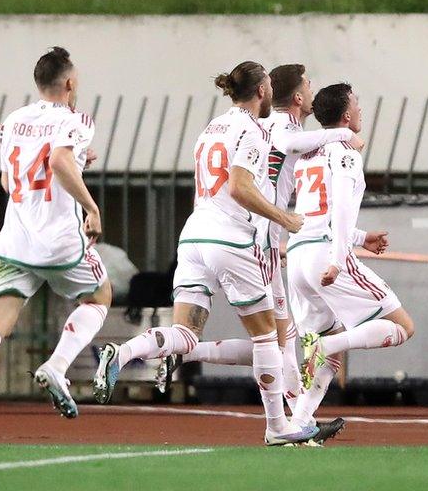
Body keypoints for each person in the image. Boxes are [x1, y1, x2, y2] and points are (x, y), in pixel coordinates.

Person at [94, 61, 319, 446]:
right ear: (263, 90)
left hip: (193, 236)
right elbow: (239, 188)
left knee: (185, 333)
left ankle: (122, 352)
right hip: (230, 238)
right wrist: (285, 217)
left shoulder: (210, 128)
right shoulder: (250, 130)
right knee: (269, 340)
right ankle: (278, 427)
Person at [156, 65, 364, 442]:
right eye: (309, 85)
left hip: (263, 236)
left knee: (278, 339)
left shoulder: (272, 126)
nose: (313, 91)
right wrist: (341, 134)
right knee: (275, 338)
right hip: (260, 240)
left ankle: (189, 354)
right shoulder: (282, 124)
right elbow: (285, 151)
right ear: (297, 97)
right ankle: (292, 423)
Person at [0, 47, 112, 450]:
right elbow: (59, 162)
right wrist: (91, 206)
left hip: (16, 240)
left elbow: (8, 180)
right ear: (69, 83)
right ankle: (56, 366)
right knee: (100, 295)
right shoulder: (76, 119)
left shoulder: (13, 120)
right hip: (59, 241)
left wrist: (76, 160)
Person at [286, 83, 415, 431]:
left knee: (329, 358)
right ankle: (327, 344)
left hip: (298, 256)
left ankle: (299, 423)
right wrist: (341, 257)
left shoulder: (308, 155)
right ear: (346, 115)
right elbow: (340, 208)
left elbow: (318, 213)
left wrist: (361, 238)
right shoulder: (345, 152)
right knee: (403, 326)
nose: (361, 111)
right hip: (325, 255)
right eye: (357, 105)